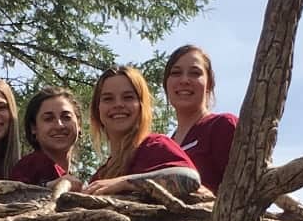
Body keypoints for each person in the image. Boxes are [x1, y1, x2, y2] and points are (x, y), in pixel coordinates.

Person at [84, 66, 201, 197]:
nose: (118, 104)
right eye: (108, 99)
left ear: (141, 106)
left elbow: (190, 179)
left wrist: (124, 182)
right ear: (97, 109)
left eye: (128, 97)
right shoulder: (99, 177)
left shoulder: (154, 146)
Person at [163, 45, 238, 193]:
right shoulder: (165, 144)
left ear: (209, 84)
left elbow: (243, 190)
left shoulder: (222, 126)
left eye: (195, 73)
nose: (184, 80)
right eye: (176, 73)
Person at [10, 86, 84, 190]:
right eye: (48, 119)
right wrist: (48, 187)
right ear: (34, 128)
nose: (59, 125)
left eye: (66, 117)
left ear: (79, 124)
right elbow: (14, 198)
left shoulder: (73, 178)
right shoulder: (28, 167)